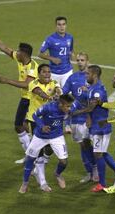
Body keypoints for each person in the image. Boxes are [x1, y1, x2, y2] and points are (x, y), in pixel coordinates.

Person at [0, 27, 38, 164]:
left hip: (32, 100)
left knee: (23, 126)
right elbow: (4, 48)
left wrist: (7, 81)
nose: (16, 52)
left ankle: (34, 157)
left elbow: (27, 84)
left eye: (18, 50)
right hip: (25, 99)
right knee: (21, 126)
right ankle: (30, 154)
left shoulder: (32, 67)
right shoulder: (20, 60)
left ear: (24, 53)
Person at [19, 94, 75, 194]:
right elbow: (34, 115)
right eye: (68, 106)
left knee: (64, 162)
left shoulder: (68, 108)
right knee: (30, 158)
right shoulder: (48, 108)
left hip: (56, 136)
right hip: (40, 136)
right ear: (61, 104)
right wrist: (42, 126)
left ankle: (57, 174)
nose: (69, 108)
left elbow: (68, 115)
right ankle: (25, 183)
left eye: (70, 106)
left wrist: (67, 125)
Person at [75, 65, 115, 192]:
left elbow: (91, 108)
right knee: (102, 152)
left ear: (94, 75)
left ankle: (102, 183)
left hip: (100, 126)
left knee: (98, 154)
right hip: (97, 125)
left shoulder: (97, 90)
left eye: (88, 74)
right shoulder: (93, 88)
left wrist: (74, 112)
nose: (85, 75)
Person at [62, 53, 98, 183]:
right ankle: (90, 172)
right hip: (75, 117)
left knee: (89, 144)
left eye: (82, 60)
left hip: (88, 118)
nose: (80, 62)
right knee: (82, 145)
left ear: (88, 61)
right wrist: (58, 93)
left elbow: (97, 97)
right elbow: (64, 93)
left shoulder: (91, 78)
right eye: (78, 60)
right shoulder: (72, 78)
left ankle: (96, 169)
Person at [26, 64, 62, 192]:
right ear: (39, 73)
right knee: (39, 153)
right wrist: (50, 98)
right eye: (44, 72)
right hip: (35, 121)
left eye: (49, 72)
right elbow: (39, 93)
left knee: (51, 147)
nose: (47, 74)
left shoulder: (54, 82)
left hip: (50, 121)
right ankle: (43, 183)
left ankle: (37, 168)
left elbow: (58, 89)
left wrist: (58, 93)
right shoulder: (33, 84)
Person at [39, 16, 75, 87]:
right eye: (59, 24)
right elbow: (40, 54)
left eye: (63, 24)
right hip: (54, 73)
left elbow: (71, 50)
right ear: (56, 26)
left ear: (66, 25)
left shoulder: (70, 37)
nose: (62, 27)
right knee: (54, 95)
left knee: (69, 95)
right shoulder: (50, 39)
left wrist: (72, 55)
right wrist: (52, 58)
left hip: (67, 71)